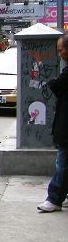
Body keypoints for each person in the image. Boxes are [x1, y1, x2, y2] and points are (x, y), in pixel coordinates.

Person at [39, 34, 68, 212]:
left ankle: (55, 198)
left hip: (66, 130)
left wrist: (53, 82)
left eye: (61, 49)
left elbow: (57, 85)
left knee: (62, 163)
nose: (59, 54)